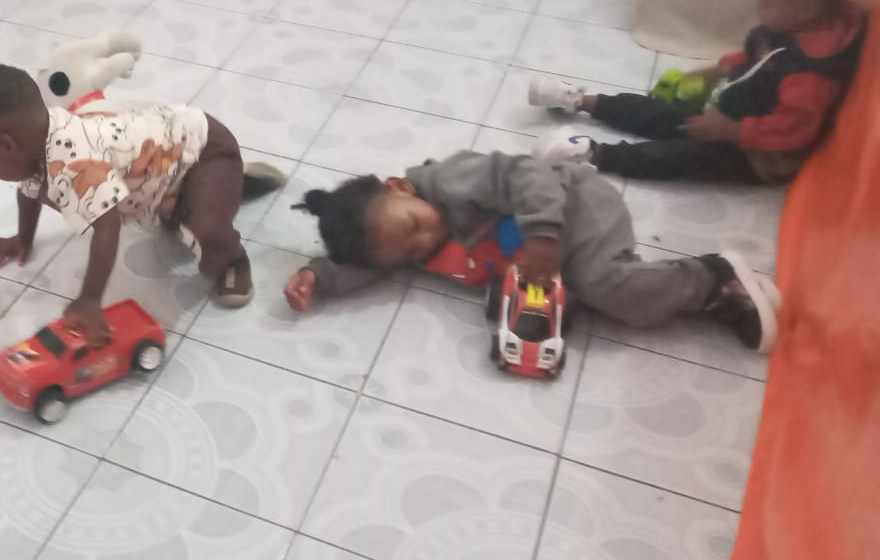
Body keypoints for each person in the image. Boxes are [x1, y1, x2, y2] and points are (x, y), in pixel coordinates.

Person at [282, 150, 781, 353]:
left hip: (571, 205)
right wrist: (321, 277)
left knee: (610, 287)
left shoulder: (451, 182)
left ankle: (713, 280)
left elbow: (526, 170)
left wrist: (542, 235)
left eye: (414, 225)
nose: (423, 242)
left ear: (401, 187)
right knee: (529, 309)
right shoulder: (395, 240)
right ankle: (600, 292)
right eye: (406, 252)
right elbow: (371, 266)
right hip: (536, 254)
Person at [0, 64, 283, 343]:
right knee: (178, 215)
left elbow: (107, 227)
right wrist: (23, 238)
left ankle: (233, 259)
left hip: (203, 148)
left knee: (206, 230)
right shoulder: (35, 149)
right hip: (165, 169)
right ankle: (205, 193)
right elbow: (28, 192)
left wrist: (90, 299)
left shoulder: (76, 162)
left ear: (7, 145)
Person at [530, 0, 867, 183]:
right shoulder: (795, 25)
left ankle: (594, 155)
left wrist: (731, 131)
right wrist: (721, 70)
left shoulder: (810, 76)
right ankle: (581, 101)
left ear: (805, 6)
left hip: (757, 154)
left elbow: (792, 132)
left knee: (681, 156)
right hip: (733, 114)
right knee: (663, 112)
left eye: (766, 3)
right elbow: (760, 58)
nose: (758, 8)